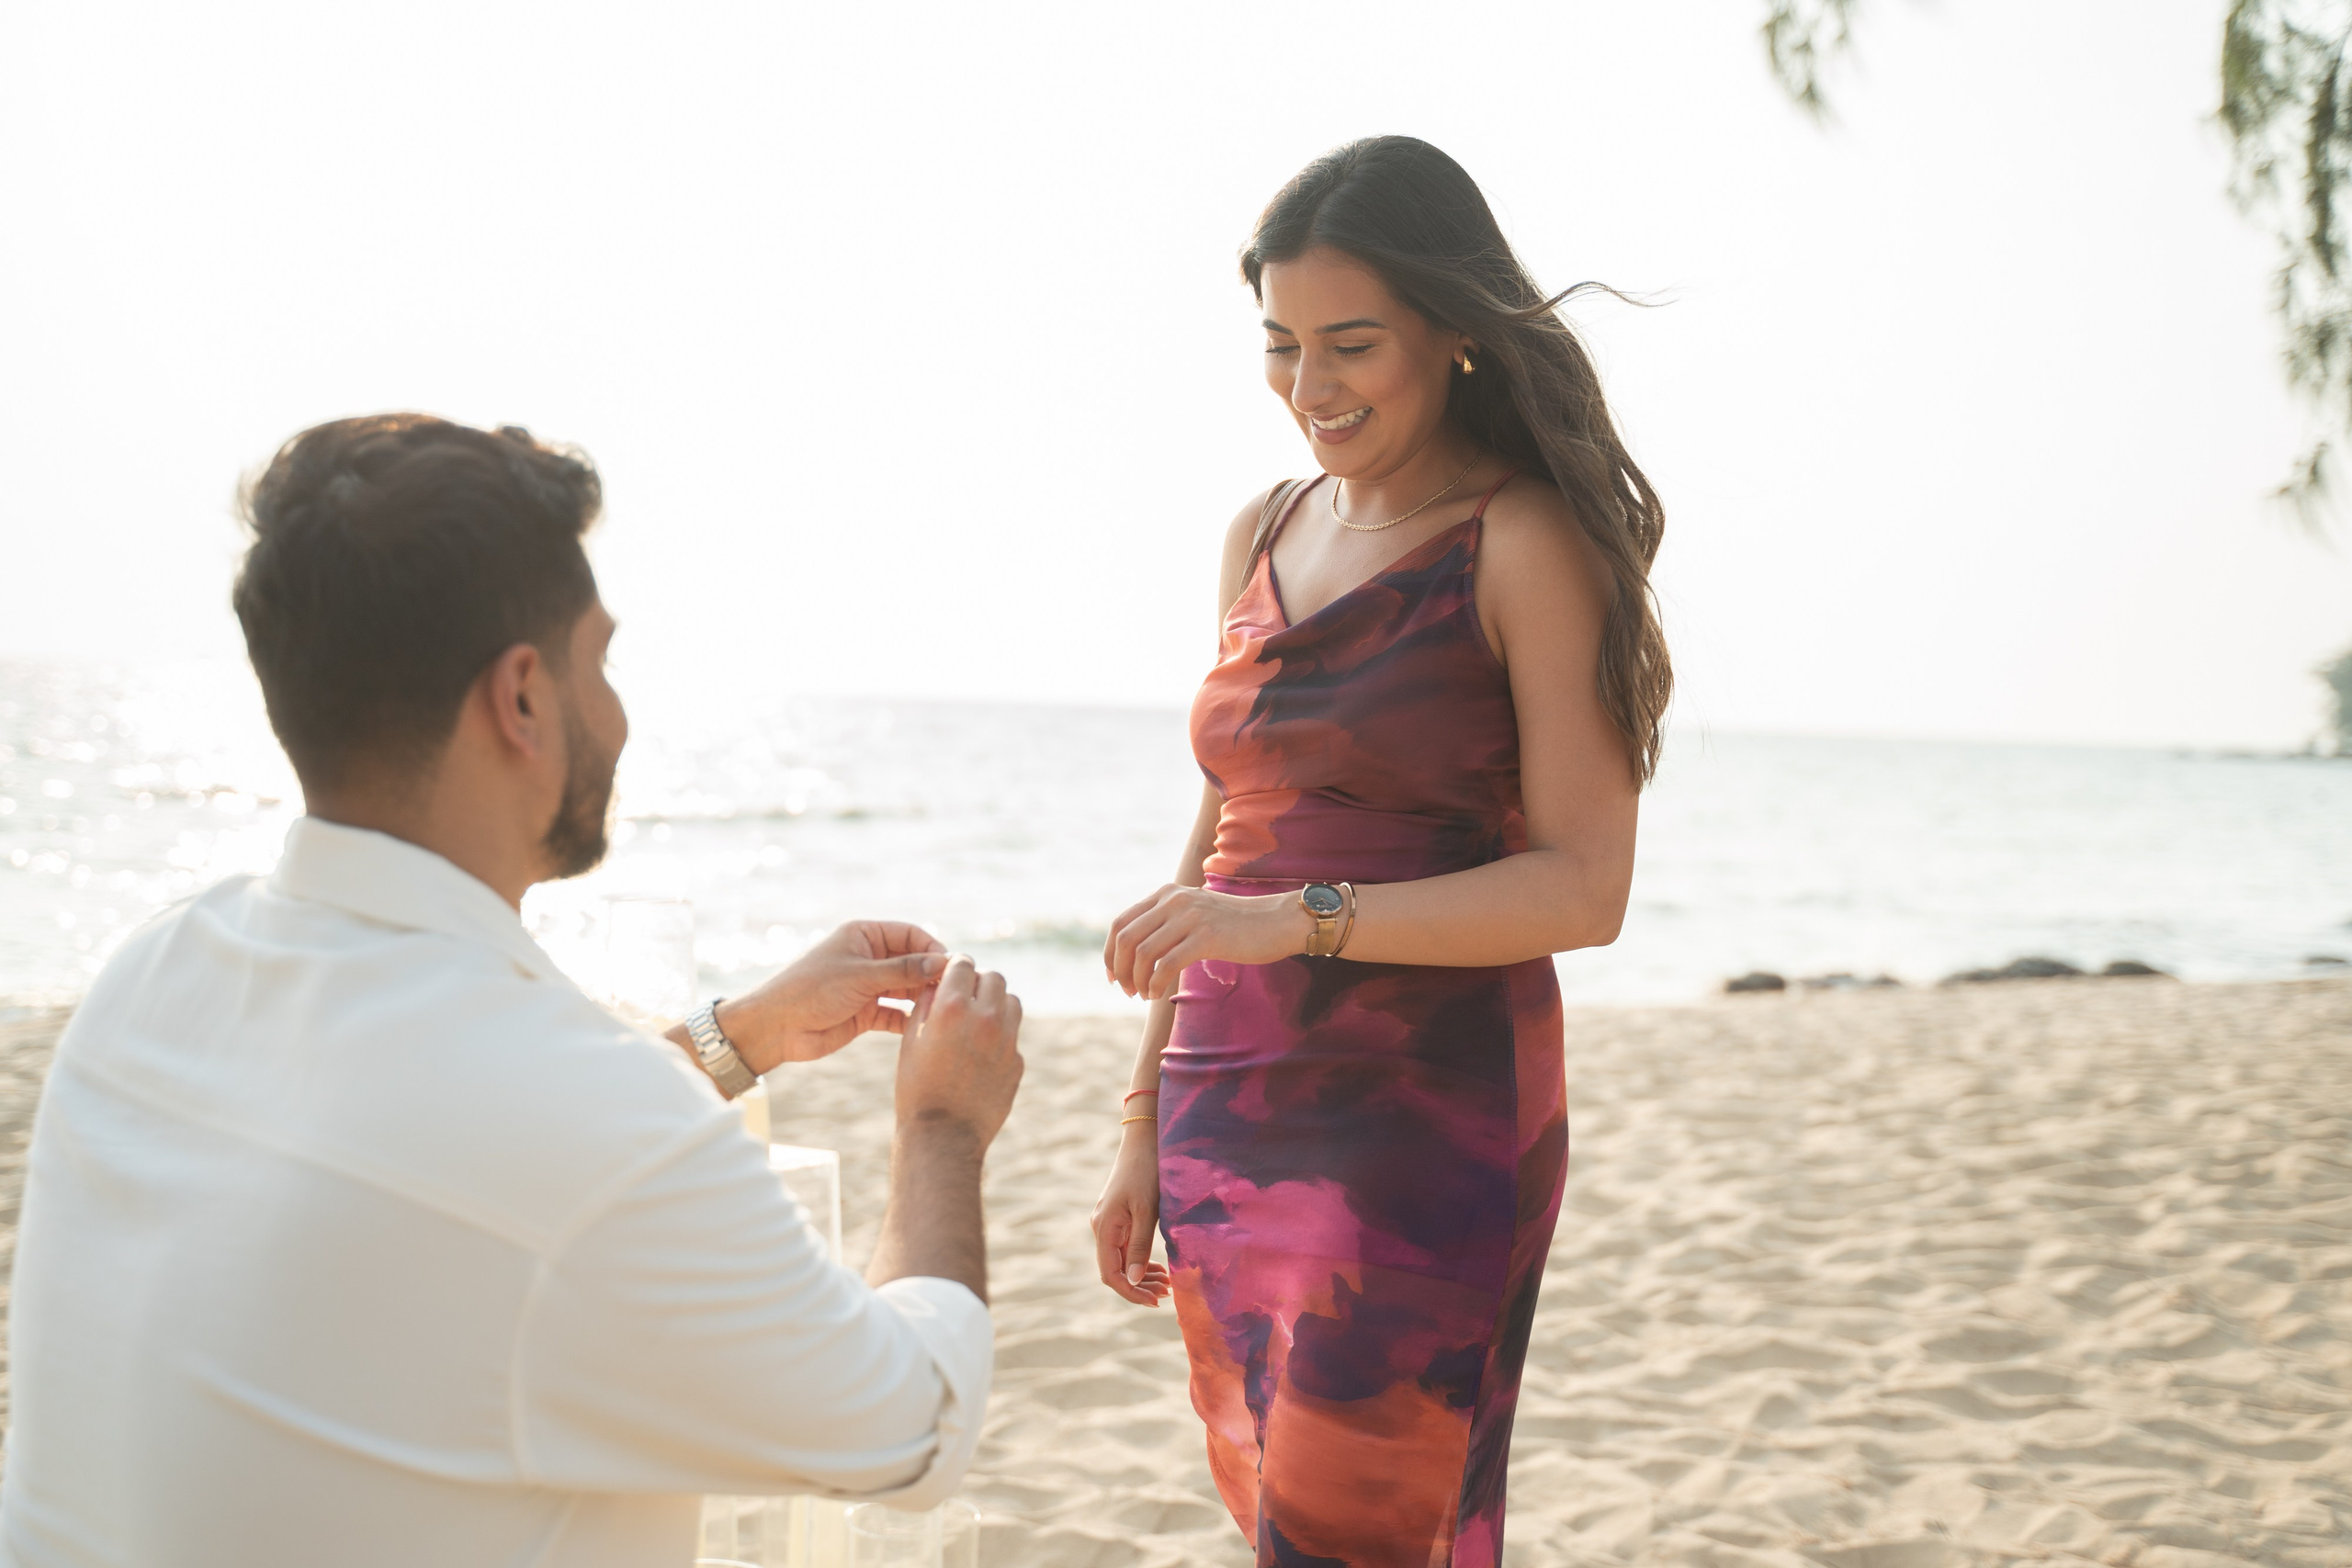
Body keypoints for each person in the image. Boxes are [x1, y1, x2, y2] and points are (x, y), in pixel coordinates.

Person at [0, 415, 1024, 1567]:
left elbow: (452, 1162)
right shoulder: (587, 1127)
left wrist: (735, 1038)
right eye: (603, 657)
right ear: (523, 699)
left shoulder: (153, 975)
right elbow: (912, 1435)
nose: (622, 709)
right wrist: (941, 1123)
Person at [1089, 138, 1669, 1567]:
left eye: (1353, 344)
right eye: (1281, 346)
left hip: (1424, 1114)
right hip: (1229, 1099)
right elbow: (1223, 829)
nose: (1312, 386)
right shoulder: (1264, 528)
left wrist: (1297, 921)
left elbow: (1586, 887)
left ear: (1454, 333)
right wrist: (1137, 1119)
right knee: (1277, 1499)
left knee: (1358, 1523)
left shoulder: (1525, 543)